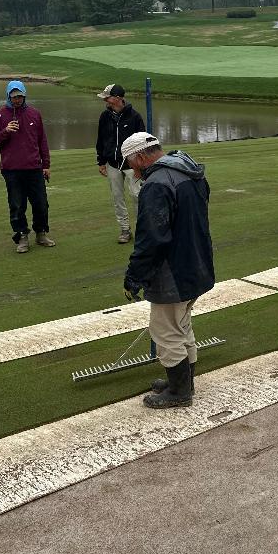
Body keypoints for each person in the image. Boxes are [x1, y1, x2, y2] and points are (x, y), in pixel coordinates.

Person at [122, 132, 215, 409]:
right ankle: (184, 381)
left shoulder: (157, 184)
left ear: (141, 157)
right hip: (198, 261)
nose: (132, 171)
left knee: (164, 330)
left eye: (131, 164)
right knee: (182, 324)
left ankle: (179, 391)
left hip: (173, 270)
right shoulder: (189, 170)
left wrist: (134, 276)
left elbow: (152, 238)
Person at [0, 79, 56, 253]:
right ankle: (22, 236)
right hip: (11, 169)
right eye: (13, 97)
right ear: (8, 96)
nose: (16, 100)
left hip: (34, 168)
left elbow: (42, 141)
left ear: (24, 96)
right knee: (17, 205)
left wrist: (46, 165)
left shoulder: (34, 114)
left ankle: (41, 233)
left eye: (19, 96)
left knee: (41, 204)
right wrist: (6, 131)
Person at [95, 83, 146, 243]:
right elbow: (101, 140)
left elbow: (143, 142)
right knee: (118, 198)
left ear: (117, 98)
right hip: (112, 164)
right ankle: (125, 229)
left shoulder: (135, 117)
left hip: (132, 165)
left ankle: (142, 230)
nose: (105, 101)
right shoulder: (105, 116)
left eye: (108, 98)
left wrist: (141, 165)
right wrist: (101, 161)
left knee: (137, 196)